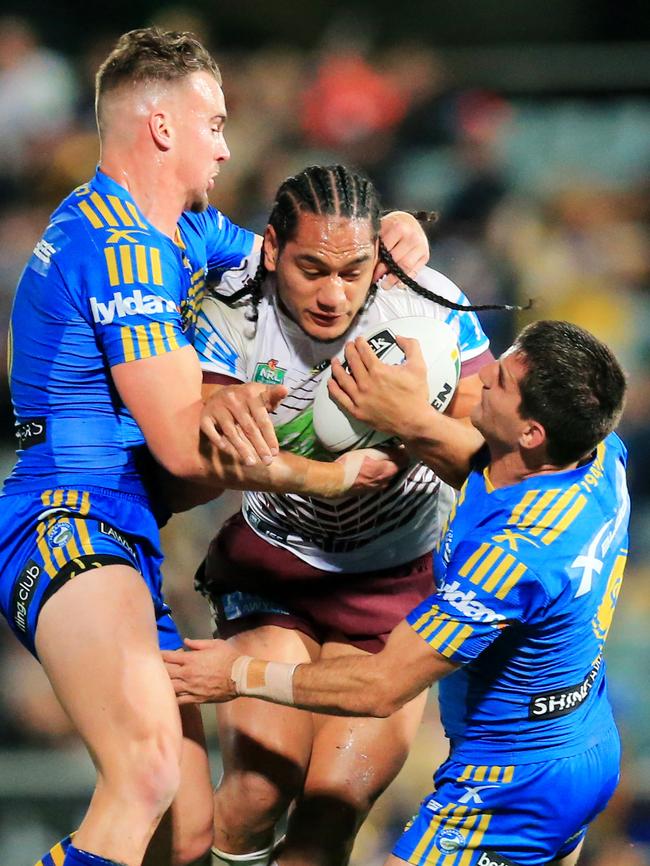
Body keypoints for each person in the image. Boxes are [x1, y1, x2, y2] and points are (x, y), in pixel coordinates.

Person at [0, 29, 426, 866]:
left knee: (188, 834)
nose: (227, 146)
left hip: (120, 535)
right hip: (67, 521)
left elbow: (291, 255)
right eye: (215, 123)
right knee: (147, 774)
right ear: (162, 127)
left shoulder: (175, 237)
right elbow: (185, 451)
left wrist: (393, 230)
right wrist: (326, 478)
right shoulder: (118, 248)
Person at [165, 319, 629, 866]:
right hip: (584, 746)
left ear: (532, 433)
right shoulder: (600, 456)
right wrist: (410, 419)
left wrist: (236, 675)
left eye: (499, 381)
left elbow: (381, 686)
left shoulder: (512, 558)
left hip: (508, 783)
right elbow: (483, 466)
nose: (482, 380)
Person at [184, 163, 514, 866]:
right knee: (252, 796)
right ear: (271, 250)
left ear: (381, 259)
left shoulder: (429, 303)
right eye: (311, 269)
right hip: (281, 569)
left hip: (399, 586)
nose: (333, 295)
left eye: (353, 271)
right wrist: (324, 477)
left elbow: (495, 463)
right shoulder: (232, 309)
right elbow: (207, 454)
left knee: (327, 821)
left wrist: (412, 422)